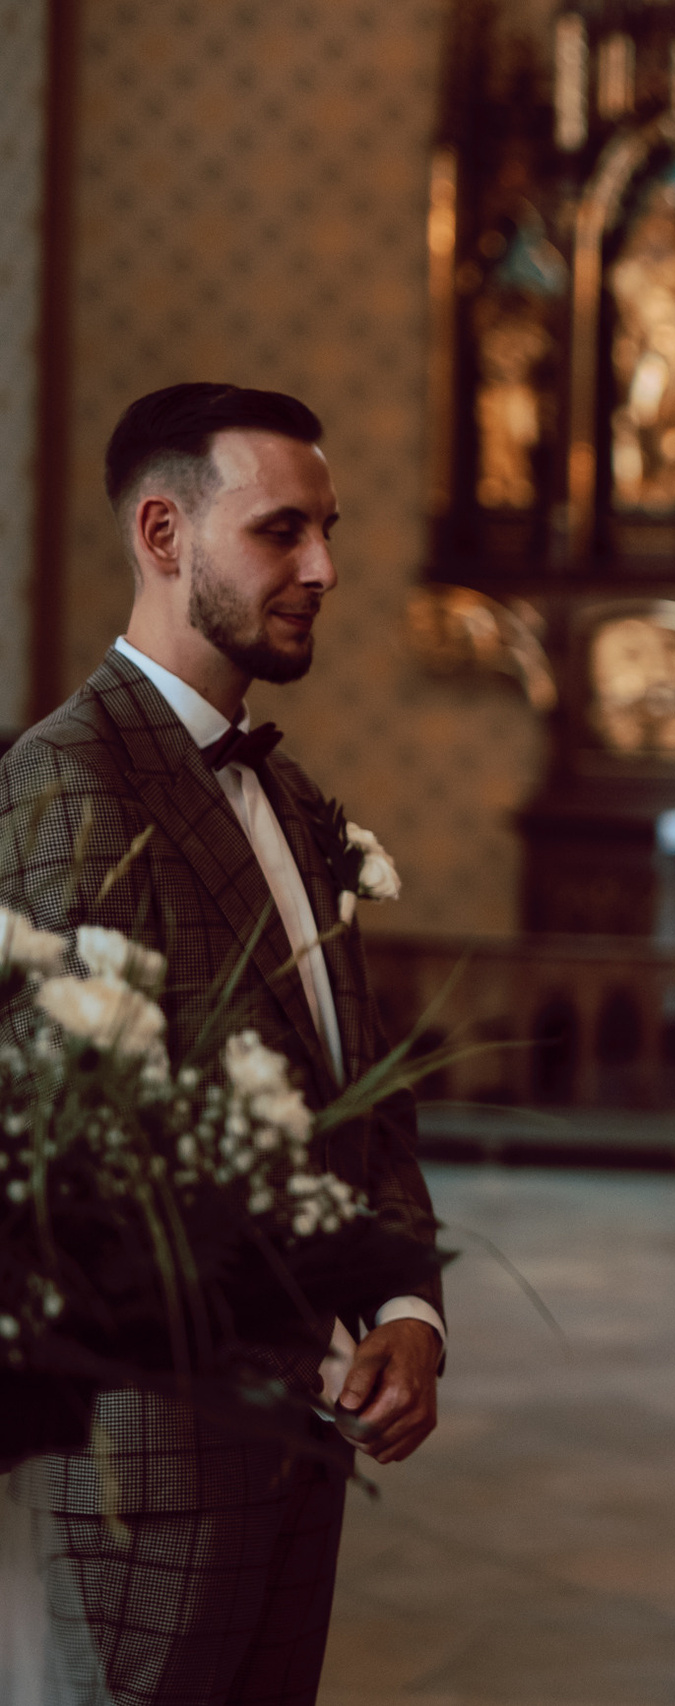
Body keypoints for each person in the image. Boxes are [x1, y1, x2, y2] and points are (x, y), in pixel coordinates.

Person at [0, 384, 444, 1706]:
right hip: (153, 1472)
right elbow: (59, 1176)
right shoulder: (63, 785)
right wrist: (300, 1343)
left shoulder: (292, 800)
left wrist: (406, 1310)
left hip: (299, 1454)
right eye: (280, 530)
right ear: (163, 532)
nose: (324, 568)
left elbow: (365, 1096)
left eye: (327, 530)